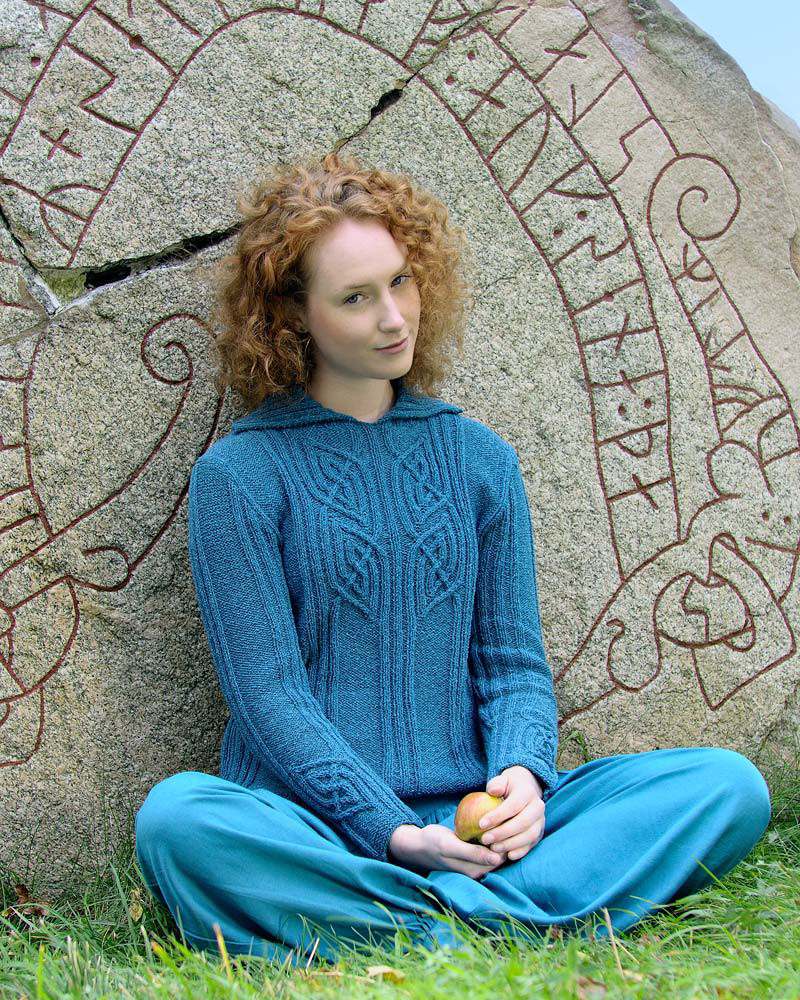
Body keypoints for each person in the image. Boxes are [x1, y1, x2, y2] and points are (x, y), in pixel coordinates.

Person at [134, 151, 772, 967]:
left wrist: (522, 780)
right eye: (356, 298)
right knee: (178, 820)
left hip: (474, 820)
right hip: (318, 828)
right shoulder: (239, 478)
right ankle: (494, 918)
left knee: (726, 786)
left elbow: (512, 664)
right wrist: (394, 832)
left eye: (400, 282)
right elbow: (270, 697)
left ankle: (410, 924)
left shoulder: (479, 460)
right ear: (292, 315)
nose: (393, 317)